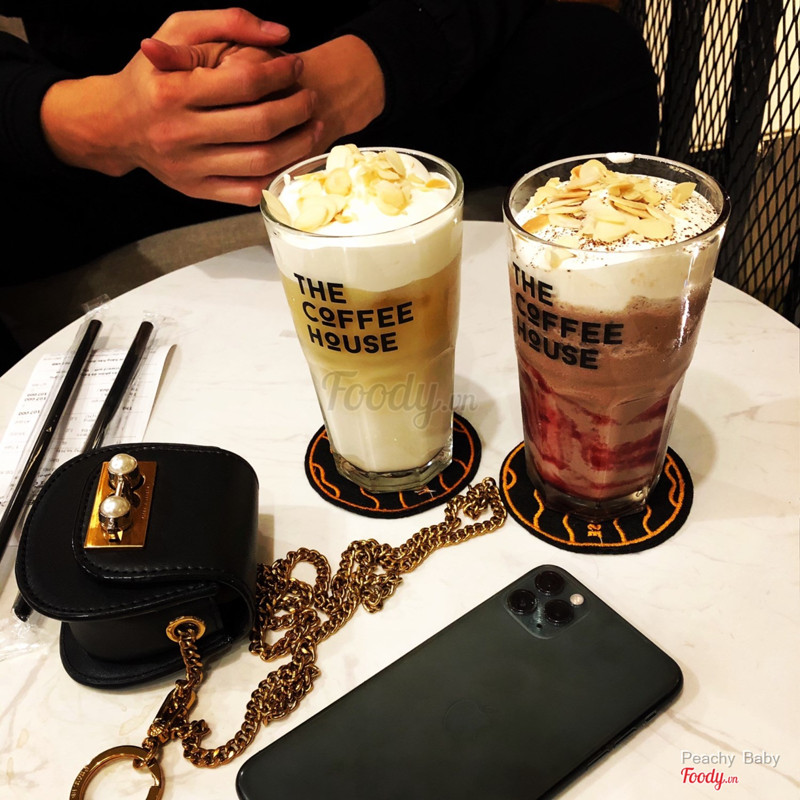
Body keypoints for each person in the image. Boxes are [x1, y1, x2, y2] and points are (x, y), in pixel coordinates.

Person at [0, 1, 658, 369]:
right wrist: (98, 122)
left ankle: (577, 374)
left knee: (591, 55)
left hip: (398, 96)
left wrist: (373, 67)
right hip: (112, 135)